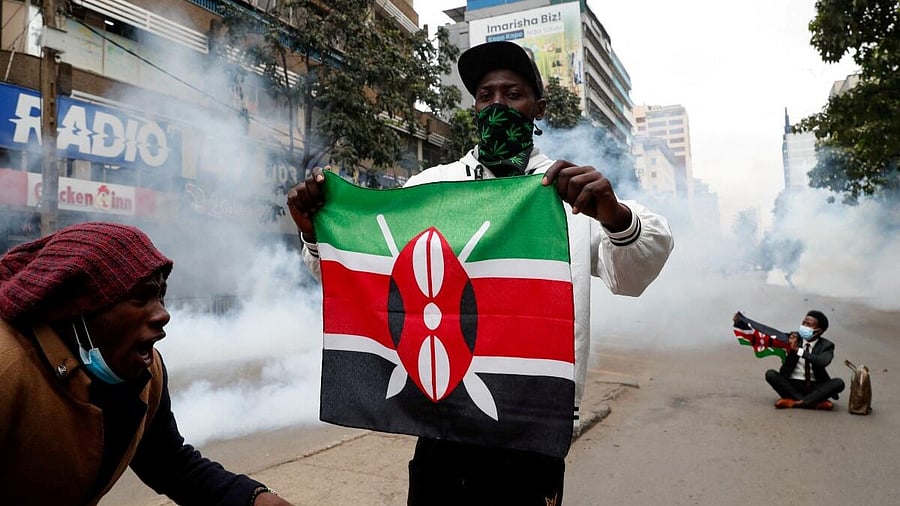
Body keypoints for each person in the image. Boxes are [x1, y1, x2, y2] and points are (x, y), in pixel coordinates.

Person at [286, 40, 674, 505]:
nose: (498, 104)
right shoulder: (431, 190)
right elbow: (365, 278)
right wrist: (317, 233)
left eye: (513, 94)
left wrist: (616, 217)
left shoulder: (567, 192)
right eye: (486, 95)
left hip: (532, 423)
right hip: (442, 421)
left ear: (539, 107)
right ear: (474, 108)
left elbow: (630, 275)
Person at [0, 222, 291, 506]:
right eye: (140, 297)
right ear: (80, 310)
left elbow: (167, 461)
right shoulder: (9, 369)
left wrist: (252, 498)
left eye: (160, 295)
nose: (163, 315)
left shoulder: (145, 372)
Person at [765, 309, 845, 410]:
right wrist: (742, 322)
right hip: (792, 384)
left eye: (808, 324)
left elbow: (822, 362)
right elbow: (767, 333)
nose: (804, 326)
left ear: (819, 331)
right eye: (803, 323)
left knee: (839, 383)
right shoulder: (793, 339)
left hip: (815, 386)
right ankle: (813, 402)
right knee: (770, 374)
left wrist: (799, 351)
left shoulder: (827, 345)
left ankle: (793, 402)